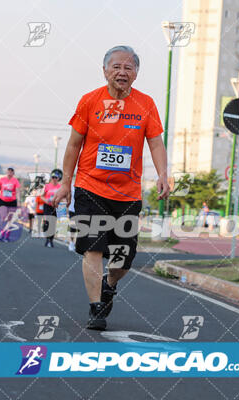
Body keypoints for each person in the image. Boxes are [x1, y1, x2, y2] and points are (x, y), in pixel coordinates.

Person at [52, 45, 169, 330]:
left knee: (122, 258)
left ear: (136, 74)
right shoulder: (89, 101)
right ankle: (96, 308)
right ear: (105, 70)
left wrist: (164, 173)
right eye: (116, 67)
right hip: (90, 187)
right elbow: (73, 144)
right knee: (92, 248)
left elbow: (154, 142)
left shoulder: (146, 104)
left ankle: (109, 283)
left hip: (127, 193)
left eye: (128, 68)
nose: (122, 72)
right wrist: (66, 182)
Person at [0, 167, 21, 242]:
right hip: (2, 201)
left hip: (12, 201)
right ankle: (1, 234)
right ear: (6, 172)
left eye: (11, 172)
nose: (9, 173)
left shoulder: (15, 181)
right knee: (3, 217)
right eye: (8, 172)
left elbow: (18, 191)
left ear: (13, 173)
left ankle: (6, 236)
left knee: (10, 220)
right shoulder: (2, 180)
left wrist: (18, 201)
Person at [42, 169, 62, 248]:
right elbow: (41, 196)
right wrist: (46, 200)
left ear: (58, 178)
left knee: (53, 223)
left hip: (56, 206)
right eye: (53, 177)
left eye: (56, 177)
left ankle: (51, 239)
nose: (54, 179)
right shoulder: (47, 186)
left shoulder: (60, 187)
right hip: (47, 205)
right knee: (47, 222)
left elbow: (62, 197)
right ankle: (47, 238)